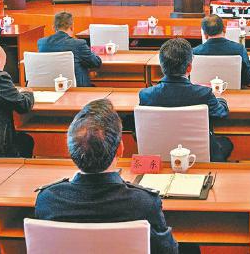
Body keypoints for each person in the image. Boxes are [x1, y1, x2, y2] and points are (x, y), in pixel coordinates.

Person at [35, 98, 178, 254]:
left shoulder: (46, 200)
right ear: (120, 149)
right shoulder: (144, 203)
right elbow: (168, 251)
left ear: (71, 151)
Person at [139, 38, 233, 162]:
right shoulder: (204, 94)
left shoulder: (146, 95)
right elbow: (221, 113)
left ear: (161, 66)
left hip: (159, 157)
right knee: (226, 143)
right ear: (189, 67)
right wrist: (219, 98)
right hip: (199, 157)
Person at [38, 11, 102, 87]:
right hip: (77, 89)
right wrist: (92, 52)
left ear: (53, 27)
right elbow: (96, 63)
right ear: (72, 27)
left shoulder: (42, 43)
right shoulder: (79, 44)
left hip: (51, 88)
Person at [193, 14, 250, 86]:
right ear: (224, 29)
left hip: (204, 92)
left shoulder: (194, 52)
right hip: (234, 91)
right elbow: (248, 79)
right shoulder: (239, 49)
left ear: (205, 34)